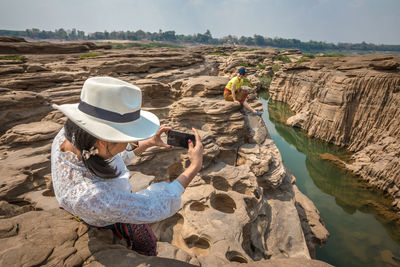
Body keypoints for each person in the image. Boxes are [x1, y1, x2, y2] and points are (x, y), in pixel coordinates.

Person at [51, 76, 203, 256]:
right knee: (147, 243)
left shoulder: (73, 135)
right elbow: (152, 205)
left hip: (94, 204)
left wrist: (148, 143)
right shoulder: (95, 198)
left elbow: (108, 156)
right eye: (124, 139)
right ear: (101, 141)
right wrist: (194, 166)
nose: (130, 143)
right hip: (100, 213)